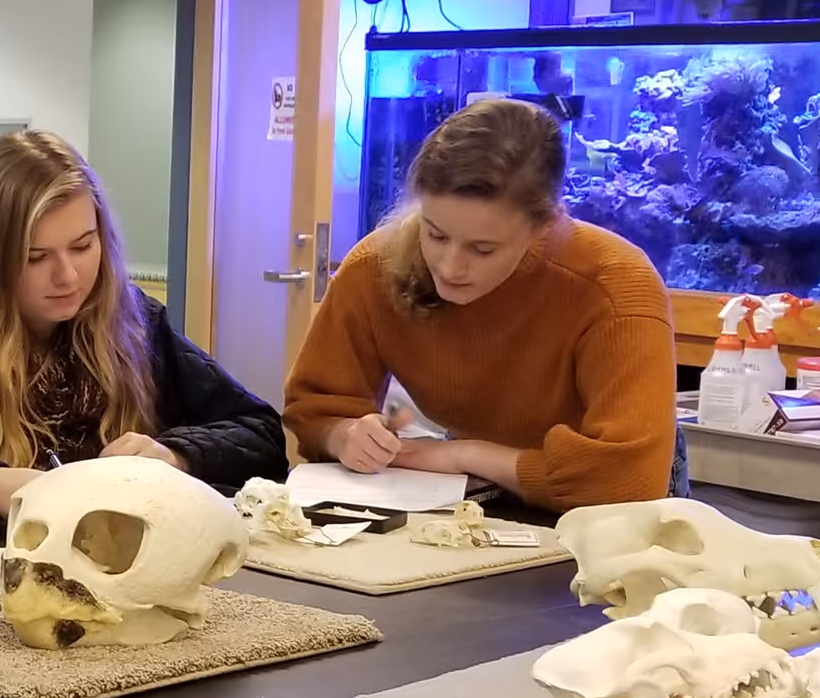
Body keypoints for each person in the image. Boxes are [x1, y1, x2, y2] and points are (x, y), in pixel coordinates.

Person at [0, 130, 286, 540]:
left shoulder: (131, 317)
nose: (68, 276)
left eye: (83, 246)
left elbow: (262, 433)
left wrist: (173, 455)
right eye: (35, 256)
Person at [282, 96, 678, 512]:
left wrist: (463, 455)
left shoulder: (614, 284)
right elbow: (314, 408)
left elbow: (628, 479)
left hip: (601, 507)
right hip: (470, 493)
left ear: (544, 226)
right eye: (434, 234)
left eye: (483, 249)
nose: (451, 268)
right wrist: (344, 435)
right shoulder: (374, 268)